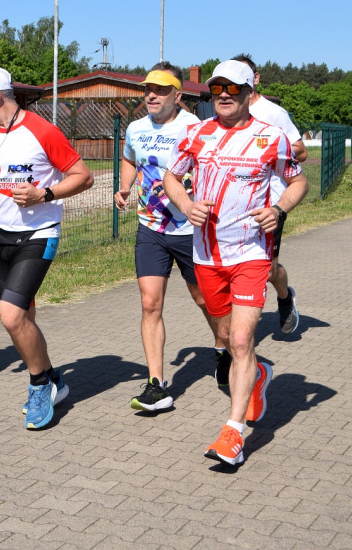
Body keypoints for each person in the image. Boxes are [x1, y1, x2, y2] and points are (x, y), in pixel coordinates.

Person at [162, 59, 308, 466]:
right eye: (216, 90)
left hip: (251, 252)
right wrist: (187, 204)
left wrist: (278, 209)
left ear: (248, 94)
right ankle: (258, 375)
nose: (223, 95)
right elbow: (172, 177)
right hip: (207, 254)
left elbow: (298, 180)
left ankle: (234, 432)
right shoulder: (198, 133)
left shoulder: (272, 137)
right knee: (225, 337)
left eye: (232, 89)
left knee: (243, 341)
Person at [0, 66, 94, 430]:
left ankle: (38, 386)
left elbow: (84, 176)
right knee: (23, 319)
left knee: (11, 316)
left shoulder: (42, 131)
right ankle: (55, 380)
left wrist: (43, 194)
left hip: (38, 234)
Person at [114, 61, 217, 413]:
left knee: (205, 300)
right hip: (150, 228)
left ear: (178, 94)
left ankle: (225, 350)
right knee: (149, 303)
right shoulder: (136, 128)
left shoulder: (197, 128)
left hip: (189, 230)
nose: (151, 95)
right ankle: (156, 384)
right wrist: (125, 186)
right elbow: (129, 158)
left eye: (159, 89)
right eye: (147, 89)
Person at [234, 54, 304, 335]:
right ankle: (237, 336)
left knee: (268, 268)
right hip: (233, 203)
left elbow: (300, 149)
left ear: (255, 79)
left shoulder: (274, 114)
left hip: (269, 201)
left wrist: (265, 152)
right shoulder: (224, 114)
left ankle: (285, 295)